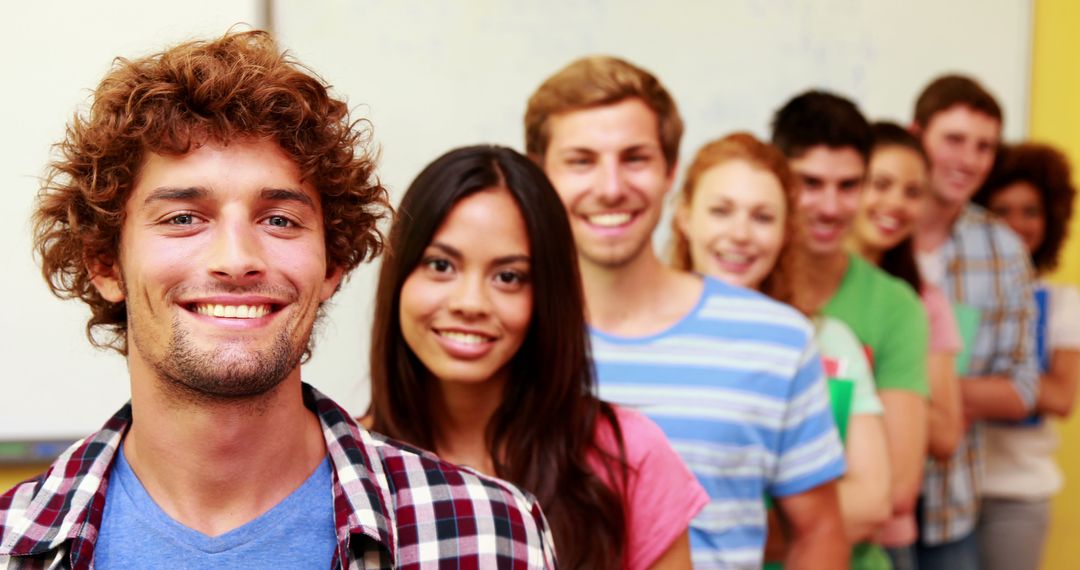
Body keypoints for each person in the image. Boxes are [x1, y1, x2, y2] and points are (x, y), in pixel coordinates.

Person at [0, 31, 555, 569]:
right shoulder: (11, 541)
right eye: (184, 218)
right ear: (104, 262)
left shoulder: (490, 534)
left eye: (280, 220)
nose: (237, 258)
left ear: (333, 262)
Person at [526, 55, 848, 569]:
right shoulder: (504, 332)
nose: (610, 186)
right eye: (581, 160)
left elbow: (819, 534)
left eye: (635, 158)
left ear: (670, 171)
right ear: (540, 172)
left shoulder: (777, 339)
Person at [366, 144, 707, 570]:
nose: (470, 302)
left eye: (508, 277)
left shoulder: (630, 456)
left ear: (546, 295)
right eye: (440, 265)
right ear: (399, 276)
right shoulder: (341, 464)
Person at [670, 132, 892, 568]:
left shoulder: (824, 341)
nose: (740, 235)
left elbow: (870, 502)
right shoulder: (632, 334)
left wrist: (729, 523)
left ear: (787, 231)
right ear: (683, 216)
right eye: (720, 211)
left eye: (762, 217)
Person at [771, 91, 931, 567]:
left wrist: (723, 523)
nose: (830, 206)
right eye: (810, 183)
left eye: (848, 186)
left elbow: (894, 492)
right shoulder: (736, 287)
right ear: (778, 179)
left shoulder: (894, 305)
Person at [910, 75, 1039, 570]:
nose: (968, 160)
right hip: (868, 501)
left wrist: (916, 394)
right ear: (916, 133)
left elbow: (1023, 387)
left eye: (984, 147)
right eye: (954, 140)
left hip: (952, 505)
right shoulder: (872, 232)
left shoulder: (1003, 249)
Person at [847, 121, 967, 569]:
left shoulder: (922, 303)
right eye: (880, 184)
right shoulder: (794, 290)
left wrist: (867, 384)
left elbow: (945, 433)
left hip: (887, 536)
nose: (895, 203)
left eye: (913, 192)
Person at [971, 142, 1079, 570]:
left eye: (1030, 210)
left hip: (1018, 495)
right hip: (949, 492)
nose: (1016, 224)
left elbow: (1060, 396)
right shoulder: (957, 294)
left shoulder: (1064, 303)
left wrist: (962, 389)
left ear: (1050, 219)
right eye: (1001, 211)